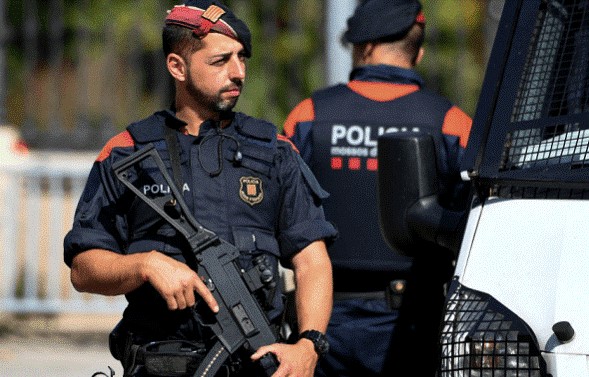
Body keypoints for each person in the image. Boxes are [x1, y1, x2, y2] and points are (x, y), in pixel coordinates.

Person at [63, 1, 337, 376]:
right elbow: (83, 269)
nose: (238, 72)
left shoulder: (274, 153)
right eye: (220, 61)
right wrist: (144, 265)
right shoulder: (128, 152)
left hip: (257, 365)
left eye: (242, 58)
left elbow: (311, 260)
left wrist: (308, 346)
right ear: (177, 66)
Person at [283, 0, 473, 376]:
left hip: (321, 321)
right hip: (414, 320)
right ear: (417, 51)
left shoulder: (309, 114)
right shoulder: (451, 121)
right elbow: (480, 213)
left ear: (365, 47)